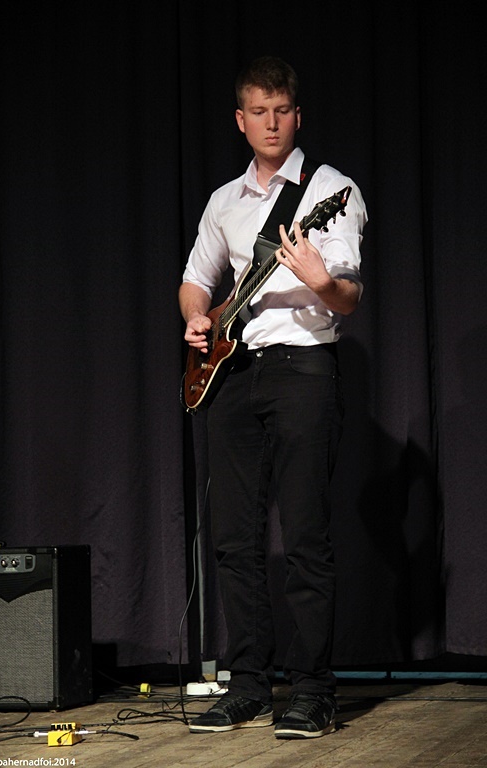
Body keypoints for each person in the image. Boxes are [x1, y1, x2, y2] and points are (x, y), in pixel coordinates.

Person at [179, 56, 367, 739]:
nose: (271, 123)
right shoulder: (224, 201)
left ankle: (313, 690)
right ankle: (248, 684)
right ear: (240, 119)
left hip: (303, 370)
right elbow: (195, 280)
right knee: (234, 540)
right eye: (258, 112)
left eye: (282, 110)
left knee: (306, 535)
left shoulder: (331, 190)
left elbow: (349, 296)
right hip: (234, 374)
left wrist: (321, 280)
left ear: (297, 115)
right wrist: (196, 318)